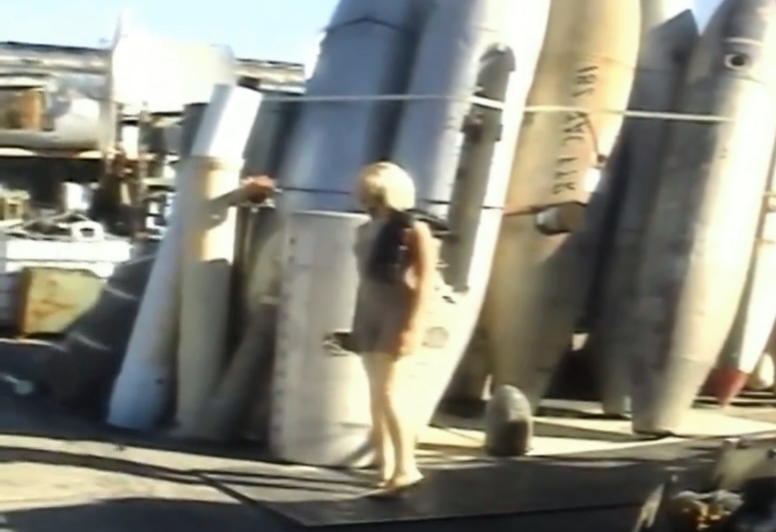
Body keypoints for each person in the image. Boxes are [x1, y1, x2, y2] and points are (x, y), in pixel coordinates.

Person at [352, 161, 439, 494]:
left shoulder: (413, 228)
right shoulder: (364, 229)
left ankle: (407, 466)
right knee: (376, 394)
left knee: (389, 392)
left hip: (397, 312)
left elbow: (425, 281)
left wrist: (414, 325)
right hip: (370, 310)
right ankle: (384, 463)